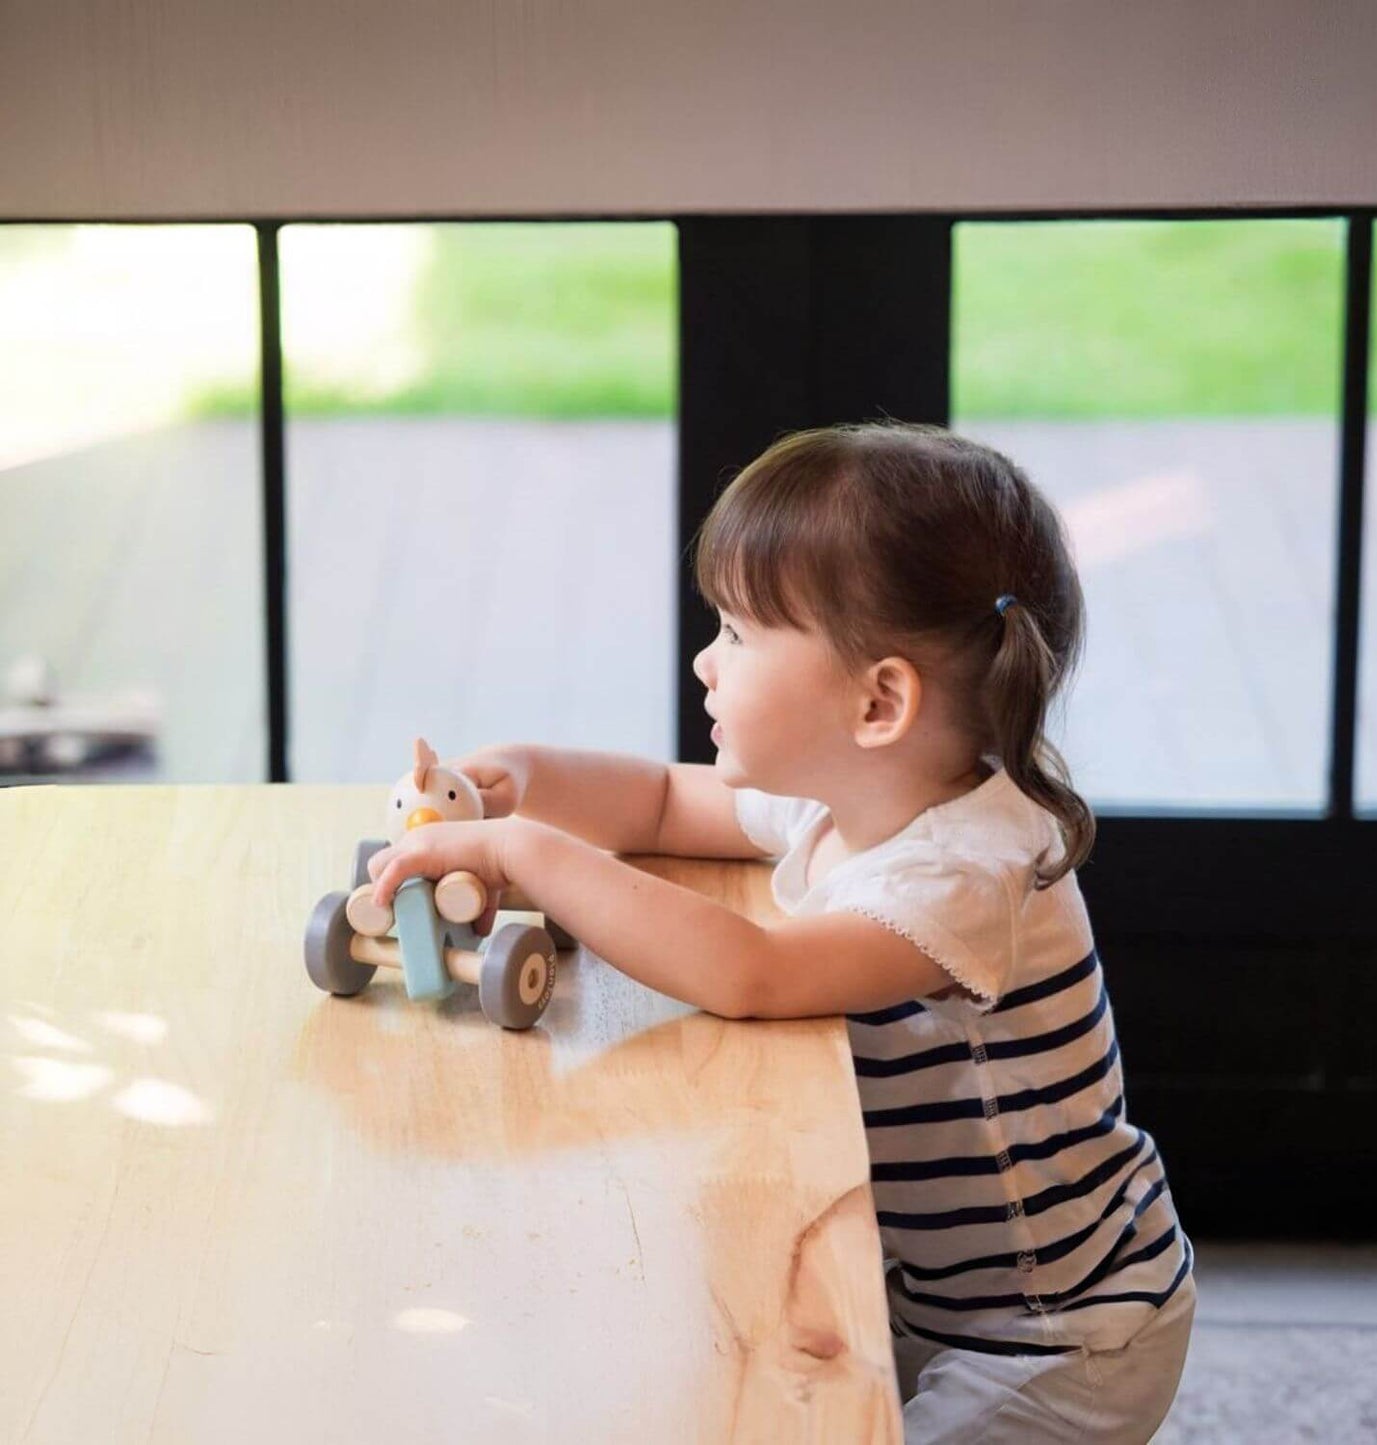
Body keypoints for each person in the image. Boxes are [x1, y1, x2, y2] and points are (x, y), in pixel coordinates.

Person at [366, 421, 1195, 1442]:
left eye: (738, 635)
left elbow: (750, 970)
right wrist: (524, 778)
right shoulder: (846, 794)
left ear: (878, 699)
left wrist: (527, 856)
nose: (703, 663)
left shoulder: (961, 874)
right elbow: (665, 803)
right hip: (934, 1288)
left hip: (1054, 1332)